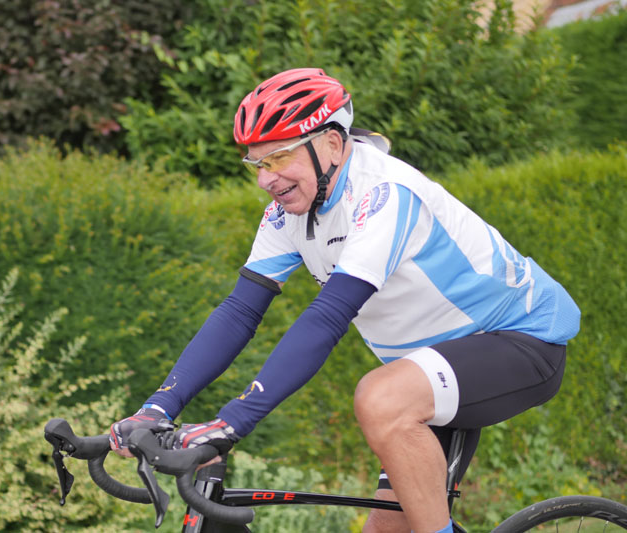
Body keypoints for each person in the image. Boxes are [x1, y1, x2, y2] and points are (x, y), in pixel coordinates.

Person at [109, 68, 580, 533]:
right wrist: (157, 408)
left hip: (518, 341)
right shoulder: (290, 212)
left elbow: (329, 315)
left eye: (279, 157)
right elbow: (240, 312)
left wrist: (231, 423)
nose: (265, 179)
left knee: (379, 397)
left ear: (332, 143)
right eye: (257, 164)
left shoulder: (384, 194)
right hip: (429, 373)